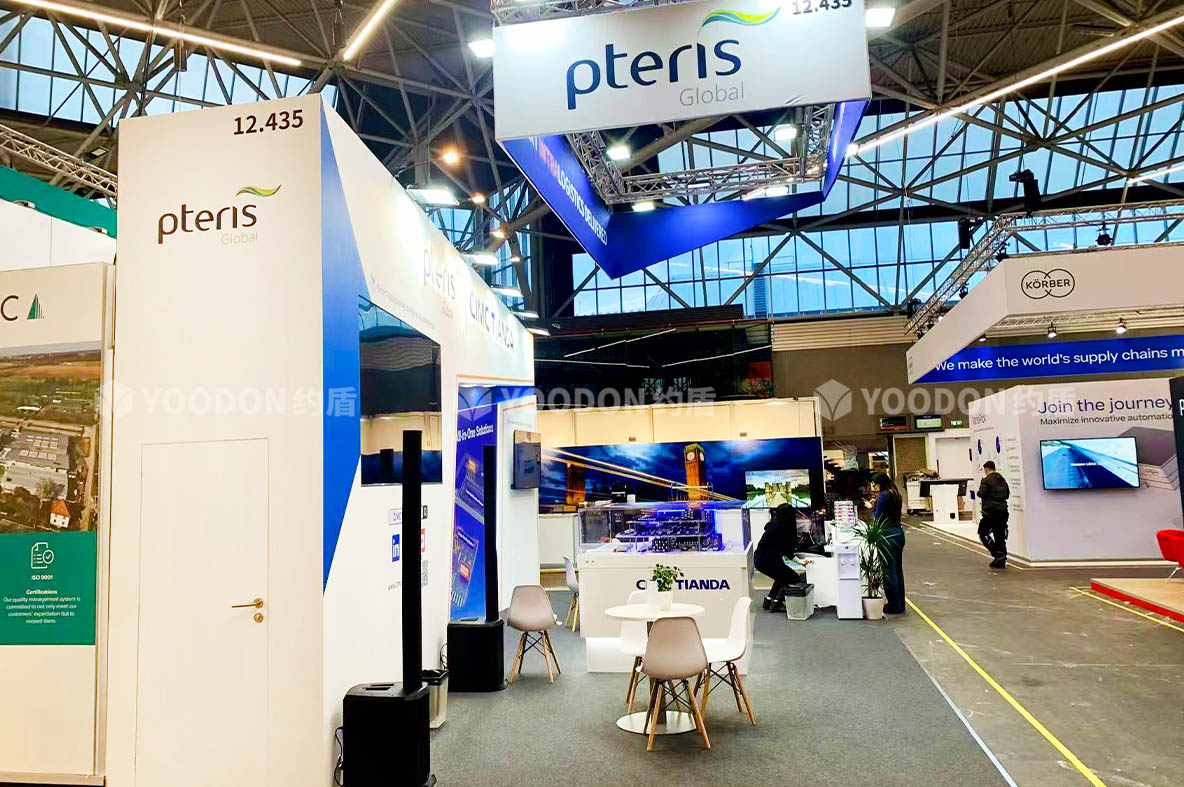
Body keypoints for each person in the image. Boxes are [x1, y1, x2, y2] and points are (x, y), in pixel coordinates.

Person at [754, 503, 802, 612]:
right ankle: (778, 602)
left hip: (760, 558)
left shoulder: (774, 524)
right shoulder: (783, 528)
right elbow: (787, 550)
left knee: (781, 576)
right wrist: (799, 560)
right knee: (792, 577)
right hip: (767, 559)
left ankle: (769, 600)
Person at [871, 473, 907, 615]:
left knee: (888, 571)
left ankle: (893, 605)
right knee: (897, 570)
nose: (874, 487)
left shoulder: (884, 496)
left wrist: (872, 507)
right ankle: (900, 604)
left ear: (881, 483)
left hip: (887, 535)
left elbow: (878, 516)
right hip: (898, 533)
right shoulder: (895, 494)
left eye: (875, 484)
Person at [977, 461, 1011, 569]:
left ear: (986, 469)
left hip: (990, 512)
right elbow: (1007, 494)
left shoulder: (986, 480)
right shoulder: (1002, 480)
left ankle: (997, 554)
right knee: (1000, 535)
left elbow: (981, 494)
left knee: (983, 533)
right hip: (1003, 511)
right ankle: (1001, 559)